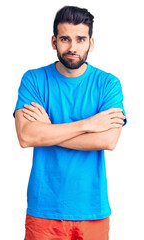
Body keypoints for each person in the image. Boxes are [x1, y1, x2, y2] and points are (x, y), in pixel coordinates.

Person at [13, 6, 127, 240]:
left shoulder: (108, 84)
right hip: (44, 209)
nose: (72, 47)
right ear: (54, 42)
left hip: (92, 209)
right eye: (65, 39)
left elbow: (108, 140)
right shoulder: (34, 79)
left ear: (91, 43)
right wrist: (88, 124)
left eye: (80, 39)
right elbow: (26, 137)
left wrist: (47, 131)